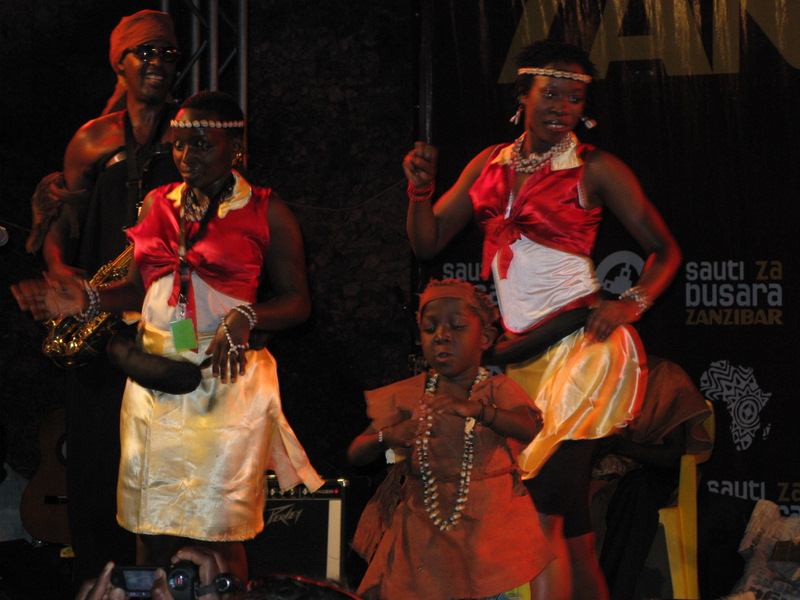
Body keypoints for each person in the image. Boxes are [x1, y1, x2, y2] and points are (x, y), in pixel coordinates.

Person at [403, 39, 682, 600]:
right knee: (573, 532)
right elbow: (426, 241)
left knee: (540, 516)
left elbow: (665, 251)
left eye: (574, 99)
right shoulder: (489, 164)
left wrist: (629, 304)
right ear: (523, 96)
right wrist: (419, 189)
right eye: (551, 94)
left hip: (584, 349)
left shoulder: (595, 168)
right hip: (525, 357)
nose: (563, 107)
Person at [13, 90, 324, 583]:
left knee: (217, 534)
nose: (186, 155)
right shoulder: (159, 204)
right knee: (151, 528)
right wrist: (85, 300)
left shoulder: (266, 211)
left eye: (200, 144)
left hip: (223, 384)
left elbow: (297, 303)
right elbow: (138, 291)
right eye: (179, 144)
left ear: (235, 148)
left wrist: (246, 315)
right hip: (155, 385)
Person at [22, 9, 185, 585]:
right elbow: (60, 220)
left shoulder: (191, 132)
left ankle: (175, 581)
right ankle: (105, 584)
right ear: (120, 61)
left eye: (168, 53)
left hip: (175, 315)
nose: (158, 63)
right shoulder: (93, 139)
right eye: (146, 52)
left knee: (178, 446)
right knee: (99, 457)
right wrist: (58, 267)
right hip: (100, 316)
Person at [347, 279, 554, 600]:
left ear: (485, 338)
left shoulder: (496, 389)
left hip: (487, 538)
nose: (441, 336)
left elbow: (528, 427)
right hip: (423, 539)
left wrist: (478, 410)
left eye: (456, 327)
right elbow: (356, 453)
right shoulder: (410, 393)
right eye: (429, 329)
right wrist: (388, 436)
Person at [591, 356, 713, 600]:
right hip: (599, 472)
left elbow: (673, 455)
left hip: (651, 469)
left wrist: (619, 447)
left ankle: (613, 593)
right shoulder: (586, 372)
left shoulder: (663, 375)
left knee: (637, 490)